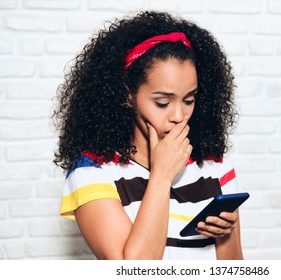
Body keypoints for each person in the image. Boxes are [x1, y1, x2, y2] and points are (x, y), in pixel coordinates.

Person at [53, 11, 243, 260]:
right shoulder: (91, 172)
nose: (179, 115)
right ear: (128, 96)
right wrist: (162, 175)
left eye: (189, 100)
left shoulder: (215, 165)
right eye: (163, 102)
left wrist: (224, 234)